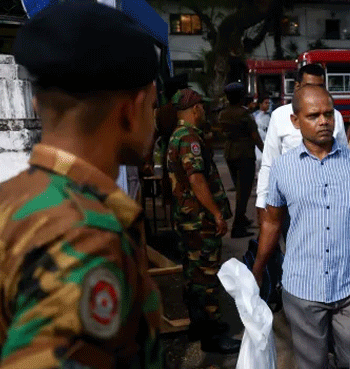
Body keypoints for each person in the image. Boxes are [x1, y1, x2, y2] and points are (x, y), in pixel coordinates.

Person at [0, 2, 162, 367]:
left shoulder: (11, 200)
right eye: (153, 105)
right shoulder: (87, 238)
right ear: (131, 109)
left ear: (38, 104)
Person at [252, 85, 350, 369]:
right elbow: (271, 223)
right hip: (303, 289)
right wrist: (257, 270)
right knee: (311, 364)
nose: (324, 121)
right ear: (296, 121)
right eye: (314, 115)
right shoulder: (282, 168)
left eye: (329, 114)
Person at [166, 88, 240, 354]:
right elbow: (197, 179)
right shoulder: (188, 137)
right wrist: (216, 213)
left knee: (193, 275)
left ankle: (198, 326)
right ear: (195, 108)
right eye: (202, 107)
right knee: (207, 277)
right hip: (199, 221)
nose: (205, 112)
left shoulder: (176, 135)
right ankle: (213, 336)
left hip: (187, 220)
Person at [255, 64, 347, 226]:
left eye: (321, 87)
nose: (316, 93)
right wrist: (262, 201)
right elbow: (269, 163)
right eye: (310, 87)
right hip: (290, 203)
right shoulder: (280, 116)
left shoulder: (335, 117)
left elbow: (344, 159)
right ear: (297, 86)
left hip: (328, 201)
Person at [219, 82, 264, 238]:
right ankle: (238, 227)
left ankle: (242, 219)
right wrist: (266, 151)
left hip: (230, 153)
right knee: (243, 192)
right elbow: (255, 136)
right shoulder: (244, 114)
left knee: (239, 189)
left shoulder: (223, 113)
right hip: (244, 154)